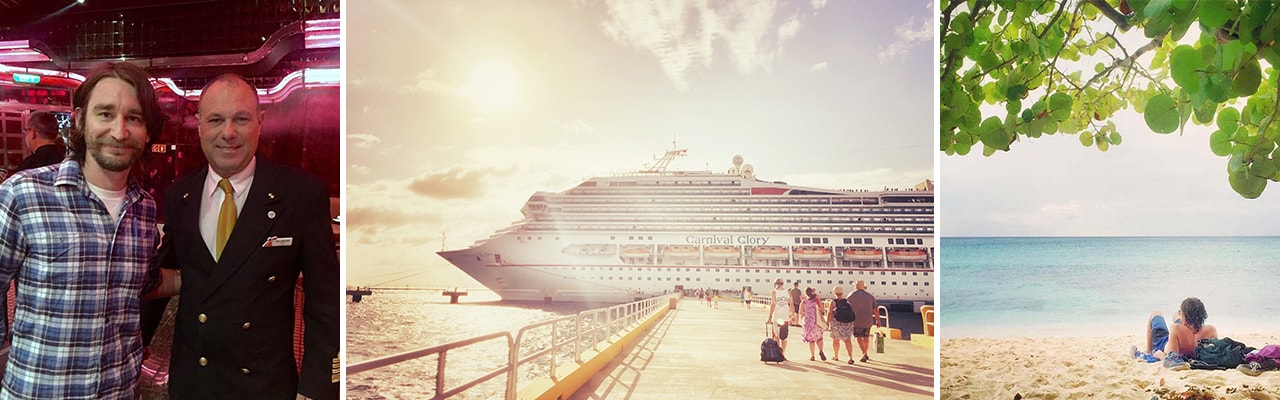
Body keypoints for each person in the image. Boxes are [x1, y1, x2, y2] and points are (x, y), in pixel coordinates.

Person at [157, 73, 339, 400]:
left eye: (241, 119)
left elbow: (325, 303)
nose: (228, 133)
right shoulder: (178, 197)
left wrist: (316, 388)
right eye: (216, 120)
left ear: (260, 122)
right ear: (199, 125)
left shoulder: (300, 195)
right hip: (192, 384)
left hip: (263, 386)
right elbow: (155, 281)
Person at [0, 61, 168, 398]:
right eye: (105, 113)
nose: (119, 131)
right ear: (79, 119)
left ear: (147, 131)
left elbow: (144, 282)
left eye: (133, 118)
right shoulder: (24, 193)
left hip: (120, 391)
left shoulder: (144, 208)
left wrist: (216, 276)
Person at [1137, 297, 1218, 362]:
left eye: (1181, 313)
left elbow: (1171, 360)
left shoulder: (1176, 328)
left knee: (1155, 313)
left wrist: (1160, 355)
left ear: (1184, 315)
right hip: (1188, 333)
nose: (1180, 314)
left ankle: (1149, 350)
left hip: (1163, 343)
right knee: (1175, 315)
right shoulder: (1211, 330)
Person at [848, 280, 879, 363]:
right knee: (866, 337)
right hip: (868, 321)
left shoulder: (851, 295)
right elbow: (875, 309)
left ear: (856, 286)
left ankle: (864, 353)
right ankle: (865, 352)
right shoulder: (870, 296)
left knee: (858, 337)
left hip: (856, 320)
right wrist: (878, 320)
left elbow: (847, 307)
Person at [827, 286, 856, 363]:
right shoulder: (847, 302)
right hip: (848, 323)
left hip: (837, 323)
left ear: (834, 293)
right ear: (842, 293)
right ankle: (850, 357)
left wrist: (827, 322)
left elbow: (830, 313)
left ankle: (836, 356)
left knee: (836, 341)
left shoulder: (833, 302)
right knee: (847, 341)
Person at [767, 279, 794, 356]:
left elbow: (773, 304)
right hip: (785, 317)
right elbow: (791, 304)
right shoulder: (788, 292)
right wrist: (793, 315)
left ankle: (778, 354)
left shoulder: (773, 292)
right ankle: (783, 354)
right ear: (783, 284)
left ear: (775, 284)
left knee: (776, 336)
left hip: (776, 317)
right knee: (784, 337)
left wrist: (770, 316)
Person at [800, 287, 826, 361]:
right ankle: (821, 351)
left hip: (808, 322)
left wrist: (803, 317)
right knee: (819, 338)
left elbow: (801, 312)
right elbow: (822, 309)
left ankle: (812, 356)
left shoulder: (804, 302)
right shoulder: (816, 300)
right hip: (817, 322)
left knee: (811, 340)